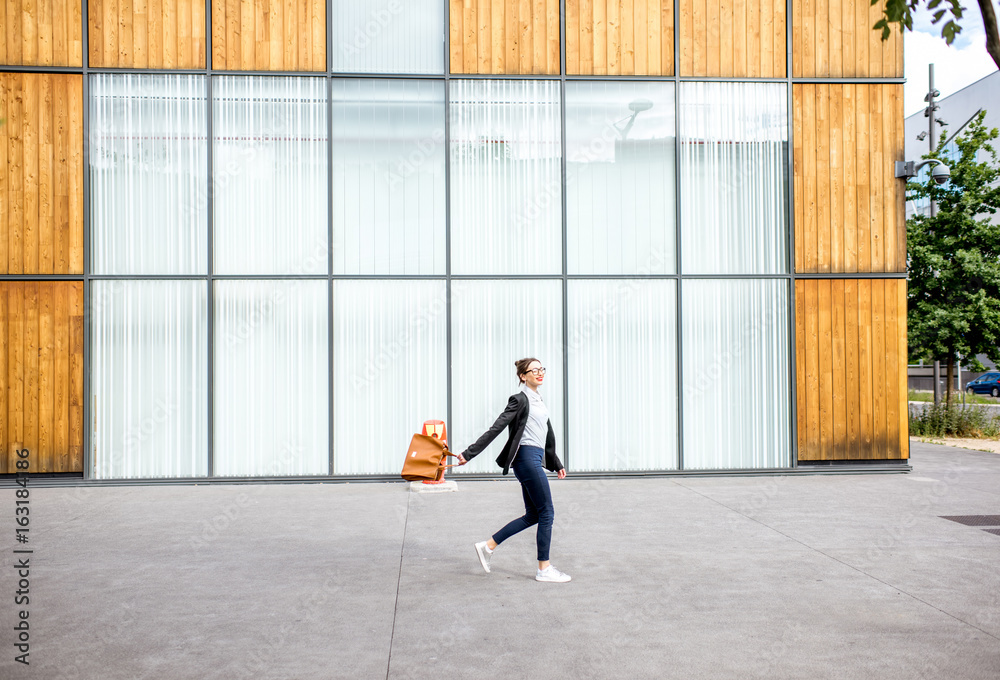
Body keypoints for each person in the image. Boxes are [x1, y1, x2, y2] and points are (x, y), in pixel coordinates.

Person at [456, 358, 571, 583]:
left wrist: (556, 463)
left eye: (542, 369)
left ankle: (488, 547)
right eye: (534, 370)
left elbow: (545, 434)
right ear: (522, 376)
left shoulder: (539, 401)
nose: (540, 373)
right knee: (547, 512)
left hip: (535, 457)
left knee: (534, 515)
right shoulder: (520, 400)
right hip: (526, 458)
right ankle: (544, 569)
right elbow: (496, 428)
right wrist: (469, 454)